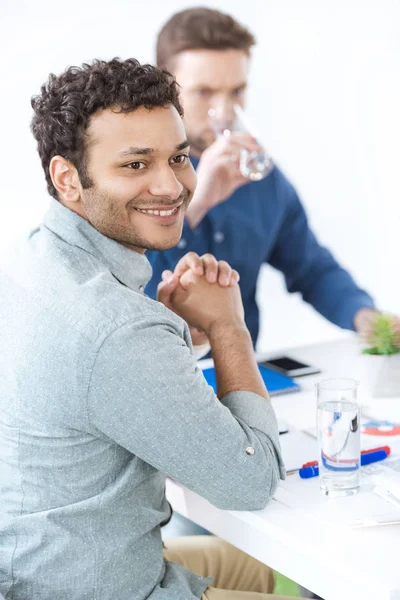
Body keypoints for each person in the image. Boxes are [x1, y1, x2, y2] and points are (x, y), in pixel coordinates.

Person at [0, 57, 307, 600]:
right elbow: (251, 481)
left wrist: (171, 335)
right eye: (136, 165)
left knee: (282, 575)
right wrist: (228, 326)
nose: (171, 186)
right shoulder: (118, 328)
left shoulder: (32, 261)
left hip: (38, 566)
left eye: (179, 157)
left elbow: (96, 374)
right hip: (108, 588)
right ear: (67, 178)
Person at [146, 6, 400, 350]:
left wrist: (364, 317)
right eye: (204, 92)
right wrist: (194, 204)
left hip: (241, 374)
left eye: (236, 91)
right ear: (165, 87)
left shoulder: (262, 179)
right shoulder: (130, 175)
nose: (223, 112)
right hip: (152, 374)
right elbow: (118, 289)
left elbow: (311, 268)